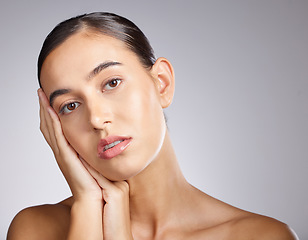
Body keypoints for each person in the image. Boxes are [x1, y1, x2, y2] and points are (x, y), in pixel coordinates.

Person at [7, 12, 298, 240]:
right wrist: (87, 207)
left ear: (162, 83)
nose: (96, 119)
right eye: (70, 105)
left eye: (111, 83)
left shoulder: (261, 236)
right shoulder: (36, 230)